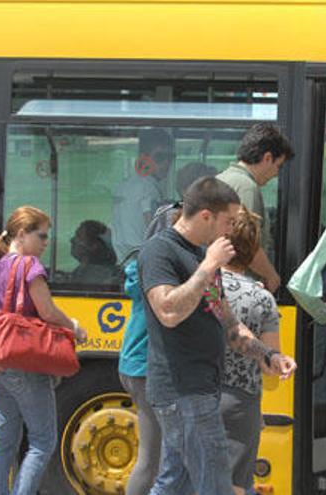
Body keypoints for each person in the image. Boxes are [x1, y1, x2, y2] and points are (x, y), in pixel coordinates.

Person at [140, 177, 296, 495]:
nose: (229, 231)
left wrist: (269, 356)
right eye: (227, 221)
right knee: (215, 483)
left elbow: (230, 325)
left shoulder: (199, 254)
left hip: (202, 389)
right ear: (206, 216)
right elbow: (168, 311)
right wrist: (209, 265)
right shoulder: (160, 251)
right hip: (181, 391)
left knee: (175, 484)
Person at [0, 206, 88, 495]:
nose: (46, 242)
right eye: (42, 236)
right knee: (42, 442)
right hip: (25, 365)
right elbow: (47, 311)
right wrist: (74, 327)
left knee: (4, 440)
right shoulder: (29, 267)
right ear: (22, 235)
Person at [117, 203, 181, 495]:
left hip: (133, 364)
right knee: (153, 460)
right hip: (148, 367)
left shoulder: (141, 264)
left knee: (152, 458)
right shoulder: (162, 269)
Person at [220, 206, 281, 495]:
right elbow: (270, 364)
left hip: (200, 393)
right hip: (240, 402)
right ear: (253, 250)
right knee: (236, 483)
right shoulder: (263, 298)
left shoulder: (202, 283)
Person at [216, 123, 294, 292]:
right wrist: (271, 276)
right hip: (239, 287)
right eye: (278, 166)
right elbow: (246, 244)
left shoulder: (223, 178)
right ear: (267, 158)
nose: (276, 174)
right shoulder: (246, 187)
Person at [112, 128, 173, 259]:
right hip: (141, 258)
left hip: (123, 258)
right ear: (143, 158)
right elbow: (153, 227)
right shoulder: (149, 187)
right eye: (160, 157)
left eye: (170, 157)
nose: (167, 163)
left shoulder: (124, 185)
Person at [68, 220, 119, 285]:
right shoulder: (82, 271)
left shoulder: (96, 277)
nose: (72, 240)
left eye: (79, 236)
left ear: (94, 246)